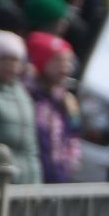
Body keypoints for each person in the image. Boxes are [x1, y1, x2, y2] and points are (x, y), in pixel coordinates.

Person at [26, 32, 79, 183]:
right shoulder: (30, 96)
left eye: (68, 61)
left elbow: (74, 133)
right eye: (57, 60)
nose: (65, 66)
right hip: (34, 174)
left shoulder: (65, 99)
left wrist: (72, 161)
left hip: (59, 174)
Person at [0, 31, 42, 184]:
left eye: (15, 60)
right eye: (5, 59)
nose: (11, 65)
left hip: (24, 184)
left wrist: (35, 181)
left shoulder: (23, 96)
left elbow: (31, 147)